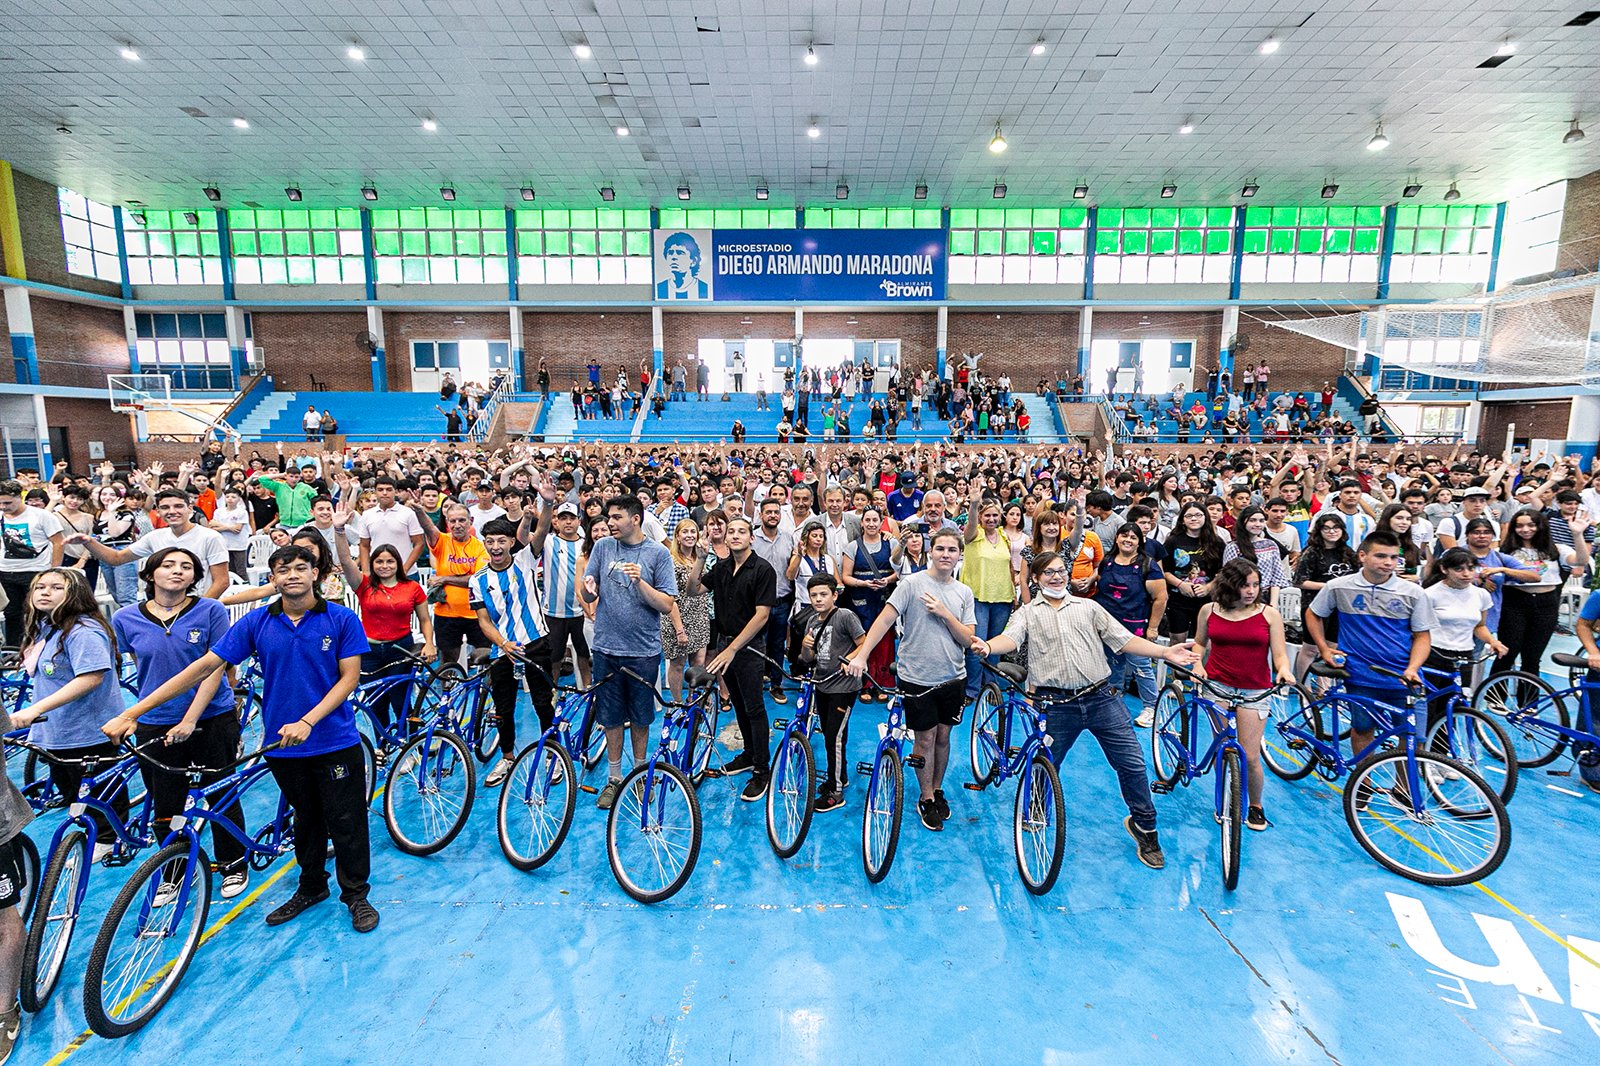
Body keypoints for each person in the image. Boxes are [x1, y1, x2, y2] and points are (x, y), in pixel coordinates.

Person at [117, 545, 378, 932]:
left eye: (300, 568)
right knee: (304, 818)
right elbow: (204, 666)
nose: (292, 575)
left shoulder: (340, 618)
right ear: (272, 577)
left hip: (333, 740)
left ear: (316, 574)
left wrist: (308, 720)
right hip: (281, 745)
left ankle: (356, 895)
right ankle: (311, 886)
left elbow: (349, 678)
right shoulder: (257, 623)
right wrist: (132, 712)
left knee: (346, 820)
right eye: (283, 569)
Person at [974, 552, 1199, 868]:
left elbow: (1124, 641)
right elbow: (1010, 639)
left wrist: (1165, 652)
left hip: (1101, 698)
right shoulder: (1027, 613)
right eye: (1048, 572)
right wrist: (988, 646)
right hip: (1055, 704)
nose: (1057, 576)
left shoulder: (1089, 607)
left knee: (1132, 764)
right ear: (1036, 579)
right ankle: (1037, 806)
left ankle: (1145, 827)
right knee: (1047, 763)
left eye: (1060, 571)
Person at [104, 548, 251, 898]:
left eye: (186, 566)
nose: (177, 571)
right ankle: (173, 867)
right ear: (150, 573)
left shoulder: (211, 610)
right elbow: (134, 662)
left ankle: (232, 863)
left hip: (212, 717)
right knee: (166, 801)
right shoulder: (126, 618)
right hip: (155, 722)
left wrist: (190, 718)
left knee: (220, 792)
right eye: (168, 564)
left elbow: (215, 667)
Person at [845, 528, 975, 832]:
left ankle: (938, 788)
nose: (945, 554)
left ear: (959, 555)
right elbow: (885, 620)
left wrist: (944, 613)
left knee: (944, 737)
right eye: (940, 548)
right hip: (916, 677)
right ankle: (926, 797)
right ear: (931, 552)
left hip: (953, 677)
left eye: (951, 550)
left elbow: (968, 639)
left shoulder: (963, 593)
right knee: (925, 738)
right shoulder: (911, 584)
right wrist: (862, 655)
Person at [9, 568, 129, 859]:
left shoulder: (84, 631)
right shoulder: (47, 627)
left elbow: (90, 677)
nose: (45, 592)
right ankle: (92, 832)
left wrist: (35, 708)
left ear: (74, 593)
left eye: (55, 587)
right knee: (73, 790)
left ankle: (111, 838)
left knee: (100, 793)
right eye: (40, 587)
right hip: (57, 732)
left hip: (88, 731)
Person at [1305, 531, 1436, 771]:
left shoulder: (1413, 593)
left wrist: (1413, 668)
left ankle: (1404, 792)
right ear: (1362, 556)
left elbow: (1422, 636)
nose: (1388, 563)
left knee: (1412, 739)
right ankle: (1362, 784)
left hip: (1404, 678)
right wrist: (1323, 648)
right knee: (1363, 729)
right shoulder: (1339, 586)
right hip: (1361, 676)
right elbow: (1314, 613)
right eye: (1381, 556)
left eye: (1394, 557)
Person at [582, 496, 681, 810]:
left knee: (640, 718)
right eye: (609, 517)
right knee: (610, 718)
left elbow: (666, 604)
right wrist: (588, 589)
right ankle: (614, 780)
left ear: (636, 519)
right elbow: (588, 590)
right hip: (605, 648)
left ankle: (640, 776)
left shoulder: (658, 553)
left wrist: (640, 583)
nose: (609, 523)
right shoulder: (602, 548)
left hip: (642, 651)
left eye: (616, 517)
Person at [1191, 559, 1296, 831]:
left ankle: (1255, 805)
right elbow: (1200, 644)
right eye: (1244, 585)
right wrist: (1197, 664)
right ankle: (1222, 799)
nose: (1251, 590)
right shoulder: (1208, 611)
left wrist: (1283, 670)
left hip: (1255, 689)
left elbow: (1280, 655)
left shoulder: (1269, 614)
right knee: (1222, 748)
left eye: (1255, 585)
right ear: (1230, 586)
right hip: (1217, 686)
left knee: (1250, 756)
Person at [688, 516, 777, 800]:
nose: (736, 535)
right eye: (732, 531)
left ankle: (762, 769)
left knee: (754, 707)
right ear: (725, 538)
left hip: (747, 647)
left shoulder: (762, 569)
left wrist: (732, 649)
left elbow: (762, 615)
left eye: (742, 531)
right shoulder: (723, 567)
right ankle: (749, 754)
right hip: (725, 643)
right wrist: (701, 559)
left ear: (751, 537)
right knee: (738, 704)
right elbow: (693, 590)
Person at [471, 516, 556, 788]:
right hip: (502, 649)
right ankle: (507, 757)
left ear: (511, 542)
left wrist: (547, 505)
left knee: (543, 703)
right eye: (489, 541)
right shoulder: (478, 580)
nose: (495, 547)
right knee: (503, 709)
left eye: (500, 541)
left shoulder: (525, 560)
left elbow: (541, 532)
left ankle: (551, 754)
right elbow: (484, 621)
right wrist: (503, 644)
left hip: (536, 644)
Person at [332, 527, 434, 732]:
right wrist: (340, 530)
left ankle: (408, 744)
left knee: (400, 700)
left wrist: (429, 644)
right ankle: (383, 744)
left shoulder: (412, 588)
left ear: (398, 563)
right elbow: (345, 561)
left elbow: (424, 619)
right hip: (368, 652)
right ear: (372, 564)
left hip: (400, 649)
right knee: (376, 702)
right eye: (379, 561)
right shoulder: (364, 584)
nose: (384, 566)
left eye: (390, 561)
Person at [72, 488, 230, 601]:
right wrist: (89, 542)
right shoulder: (155, 537)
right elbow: (116, 558)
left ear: (190, 509)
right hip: (164, 608)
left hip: (199, 605)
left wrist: (199, 609)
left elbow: (222, 581)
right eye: (165, 507)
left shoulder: (210, 537)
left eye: (179, 506)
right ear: (158, 511)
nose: (172, 511)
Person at [1493, 507, 1589, 678]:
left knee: (1532, 657)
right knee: (1506, 653)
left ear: (1540, 526)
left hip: (1547, 603)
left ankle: (1529, 703)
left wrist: (1577, 534)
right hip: (1514, 602)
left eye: (1531, 525)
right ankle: (1495, 699)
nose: (1525, 530)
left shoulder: (1556, 549)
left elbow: (1580, 561)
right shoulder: (1506, 551)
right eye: (1519, 526)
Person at [1095, 523, 1167, 727]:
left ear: (1139, 541)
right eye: (1124, 536)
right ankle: (1112, 704)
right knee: (1111, 666)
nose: (1128, 540)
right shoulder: (1107, 561)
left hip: (1134, 626)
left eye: (1133, 537)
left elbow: (1161, 598)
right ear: (1117, 538)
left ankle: (1151, 707)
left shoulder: (1148, 565)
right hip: (1106, 625)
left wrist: (1152, 628)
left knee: (1141, 667)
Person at [961, 488, 1017, 698]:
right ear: (981, 517)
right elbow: (969, 530)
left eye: (995, 515)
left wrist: (1013, 594)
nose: (991, 519)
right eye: (987, 515)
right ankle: (972, 689)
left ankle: (990, 687)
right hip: (978, 598)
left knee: (995, 646)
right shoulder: (974, 535)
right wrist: (975, 504)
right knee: (977, 646)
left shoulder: (1004, 536)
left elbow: (1009, 566)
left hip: (1003, 598)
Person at [839, 506, 897, 699]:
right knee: (862, 638)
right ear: (861, 523)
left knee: (885, 640)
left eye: (875, 520)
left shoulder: (892, 543)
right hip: (860, 600)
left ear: (881, 523)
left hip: (884, 598)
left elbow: (900, 570)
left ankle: (883, 682)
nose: (871, 524)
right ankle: (863, 682)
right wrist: (862, 583)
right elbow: (845, 576)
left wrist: (886, 581)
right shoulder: (852, 546)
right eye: (868, 520)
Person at [0, 480, 65, 646]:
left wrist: (54, 570)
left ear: (19, 498)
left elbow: (58, 542)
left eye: (8, 503)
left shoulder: (41, 516)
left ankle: (47, 644)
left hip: (35, 570)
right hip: (6, 571)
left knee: (40, 610)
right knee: (11, 612)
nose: (4, 507)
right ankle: (14, 649)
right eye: (0, 503)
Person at [1221, 506, 1289, 606]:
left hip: (1266, 596)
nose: (1258, 524)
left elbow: (1277, 578)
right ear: (1243, 522)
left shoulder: (1271, 545)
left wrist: (1273, 605)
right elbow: (1229, 578)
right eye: (1252, 520)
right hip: (1240, 597)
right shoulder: (1233, 547)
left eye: (1261, 521)